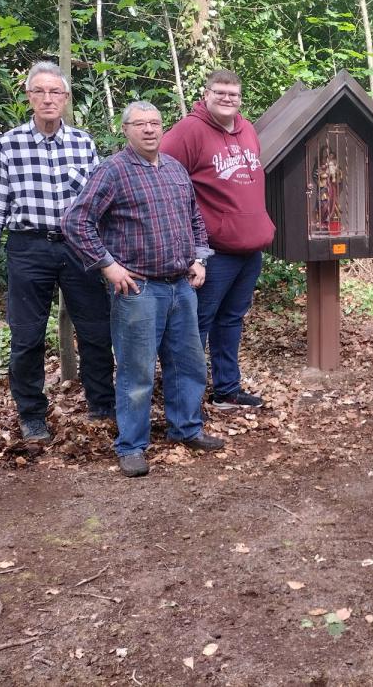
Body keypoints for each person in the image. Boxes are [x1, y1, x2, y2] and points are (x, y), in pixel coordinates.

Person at [62, 101, 224, 478]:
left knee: (188, 363)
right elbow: (76, 222)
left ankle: (186, 429)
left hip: (181, 287)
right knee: (136, 372)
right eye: (140, 124)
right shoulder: (112, 171)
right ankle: (131, 446)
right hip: (139, 289)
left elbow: (194, 219)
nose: (149, 130)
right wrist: (108, 265)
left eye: (155, 123)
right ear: (126, 130)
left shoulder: (175, 168)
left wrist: (199, 258)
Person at [0, 61, 114, 443]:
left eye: (56, 92)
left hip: (78, 246)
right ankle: (32, 414)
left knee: (96, 329)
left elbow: (100, 202)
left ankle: (103, 404)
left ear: (66, 98)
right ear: (29, 96)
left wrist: (110, 253)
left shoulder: (83, 143)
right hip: (29, 248)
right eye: (40, 91)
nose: (48, 99)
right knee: (27, 335)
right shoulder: (8, 144)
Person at [160, 69, 275, 411]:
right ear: (206, 94)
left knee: (231, 320)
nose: (227, 99)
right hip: (213, 252)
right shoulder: (188, 132)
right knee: (198, 323)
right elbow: (162, 177)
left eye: (233, 94)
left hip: (249, 249)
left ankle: (226, 389)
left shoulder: (248, 129)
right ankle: (186, 400)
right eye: (220, 93)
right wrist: (188, 244)